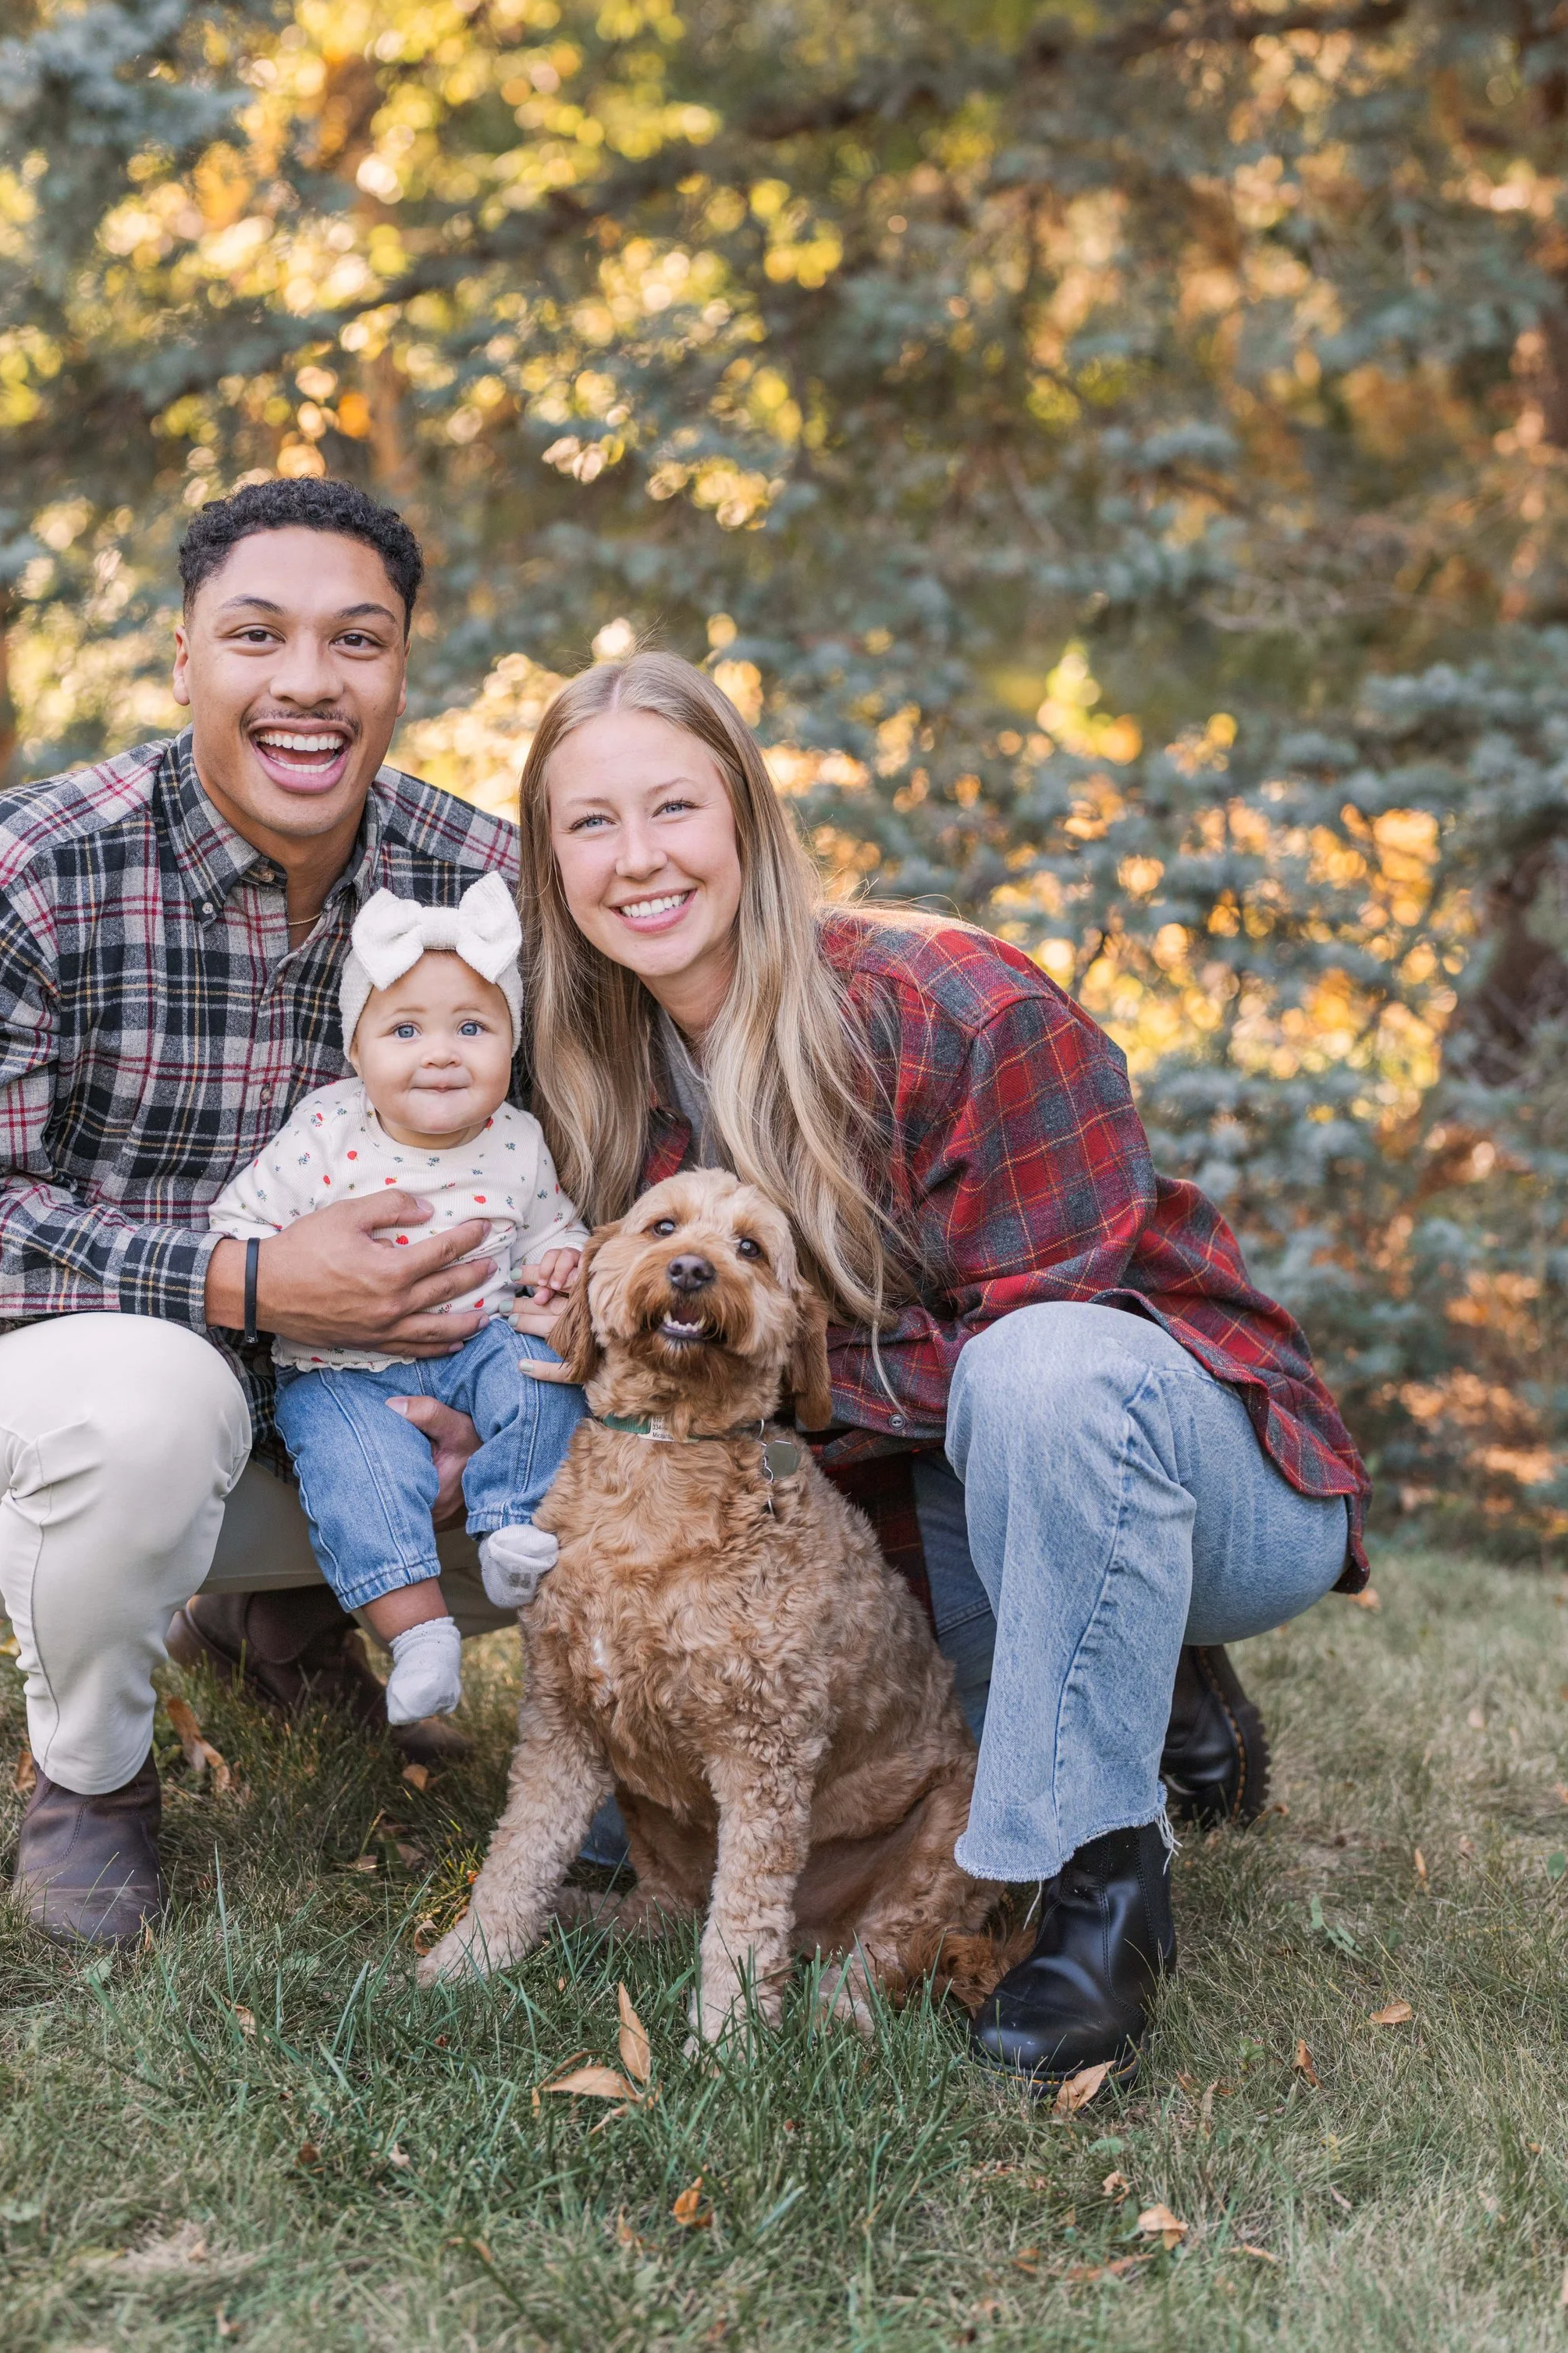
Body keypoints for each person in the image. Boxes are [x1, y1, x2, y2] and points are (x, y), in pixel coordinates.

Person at [505, 649, 1369, 2089]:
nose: (637, 858)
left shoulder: (952, 1006)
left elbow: (1059, 1326)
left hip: (1197, 1469)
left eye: (674, 808)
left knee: (1036, 1380)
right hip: (946, 1504)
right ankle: (1151, 1688)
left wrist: (795, 1366)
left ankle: (1106, 1894)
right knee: (916, 1712)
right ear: (550, 862)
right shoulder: (601, 1070)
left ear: (749, 825)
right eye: (589, 824)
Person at [0, 478, 556, 1944]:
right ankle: (93, 1779)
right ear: (185, 661)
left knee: (617, 1383)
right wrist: (247, 1282)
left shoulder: (484, 886)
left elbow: (577, 1171)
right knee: (159, 1388)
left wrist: (487, 1377)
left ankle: (283, 1615)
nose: (309, 682)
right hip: (35, 1443)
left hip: (369, 1423)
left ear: (401, 670)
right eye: (257, 636)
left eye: (357, 642)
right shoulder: (26, 862)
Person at [208, 875, 588, 1723]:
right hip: (341, 1370)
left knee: (548, 1380)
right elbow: (237, 1227)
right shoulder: (325, 1131)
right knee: (359, 1474)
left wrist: (565, 1261)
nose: (441, 1052)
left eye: (472, 1028)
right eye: (406, 1029)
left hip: (481, 1339)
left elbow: (549, 1229)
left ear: (510, 1045)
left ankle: (512, 1524)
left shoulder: (518, 1139)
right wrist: (284, 1266)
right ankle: (418, 1635)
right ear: (357, 1048)